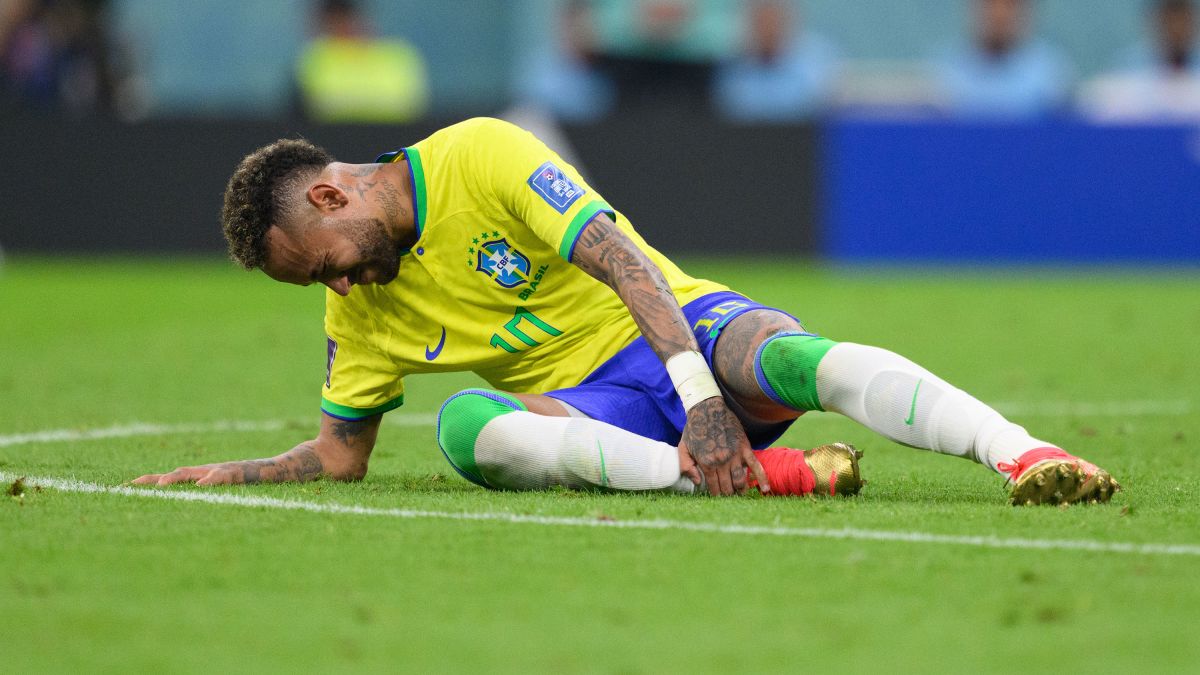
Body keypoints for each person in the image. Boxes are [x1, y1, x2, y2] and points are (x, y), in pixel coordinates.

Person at [132, 117, 1119, 506]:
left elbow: (623, 261)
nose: (337, 292)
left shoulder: (481, 154)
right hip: (596, 409)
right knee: (468, 427)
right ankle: (768, 481)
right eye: (319, 291)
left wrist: (698, 395)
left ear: (333, 198)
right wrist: (235, 471)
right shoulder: (364, 316)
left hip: (680, 330)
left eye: (324, 269)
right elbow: (342, 453)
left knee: (791, 361)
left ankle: (1024, 454)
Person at [931, 0, 1072, 118]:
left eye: (1009, 5)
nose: (999, 14)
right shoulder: (943, 73)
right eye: (990, 4)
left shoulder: (1050, 76)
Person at [294, 0, 429, 124]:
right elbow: (322, 104)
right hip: (337, 140)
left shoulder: (399, 55)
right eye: (334, 22)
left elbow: (407, 104)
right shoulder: (316, 57)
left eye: (345, 20)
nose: (343, 27)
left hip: (397, 141)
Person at [712, 0, 839, 122]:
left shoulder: (817, 62)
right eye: (761, 22)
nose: (768, 29)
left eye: (773, 21)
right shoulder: (730, 70)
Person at [1079, 0, 1200, 122]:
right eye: (1170, 21)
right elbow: (1094, 103)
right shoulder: (1126, 69)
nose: (1177, 29)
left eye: (1183, 21)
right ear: (1156, 22)